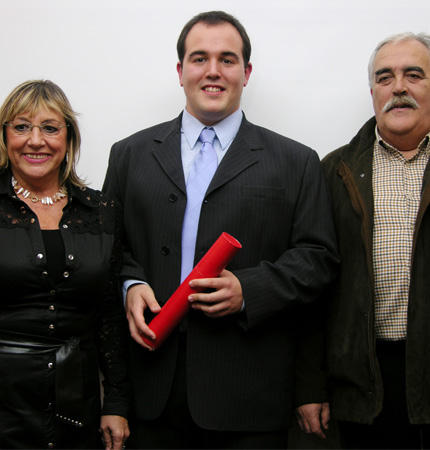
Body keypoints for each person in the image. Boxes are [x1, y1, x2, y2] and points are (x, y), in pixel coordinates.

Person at [103, 10, 338, 449]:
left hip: (248, 393)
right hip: (152, 388)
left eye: (227, 59)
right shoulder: (129, 155)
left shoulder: (296, 161)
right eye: (199, 58)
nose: (213, 71)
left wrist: (250, 290)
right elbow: (108, 249)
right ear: (180, 71)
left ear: (246, 72)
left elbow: (318, 258)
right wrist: (129, 283)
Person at [295, 32, 430, 449]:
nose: (399, 87)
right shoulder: (333, 171)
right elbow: (312, 287)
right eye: (385, 77)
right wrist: (309, 386)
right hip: (364, 383)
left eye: (414, 74)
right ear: (372, 90)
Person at [0, 80, 130, 449]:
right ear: (5, 136)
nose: (35, 140)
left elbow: (108, 315)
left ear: (69, 138)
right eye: (21, 126)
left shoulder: (102, 210)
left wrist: (116, 403)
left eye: (50, 128)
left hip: (79, 403)